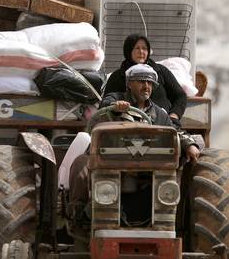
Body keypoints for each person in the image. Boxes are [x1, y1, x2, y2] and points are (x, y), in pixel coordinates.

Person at [68, 64, 200, 220]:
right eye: (141, 81)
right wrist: (115, 109)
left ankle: (174, 217)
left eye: (150, 83)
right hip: (109, 161)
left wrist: (189, 144)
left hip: (147, 165)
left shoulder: (159, 113)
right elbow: (105, 107)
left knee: (175, 172)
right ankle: (79, 215)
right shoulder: (116, 99)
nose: (146, 86)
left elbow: (174, 132)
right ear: (129, 84)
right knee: (81, 163)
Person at [103, 34, 187, 124]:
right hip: (127, 124)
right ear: (129, 83)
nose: (141, 52)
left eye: (144, 48)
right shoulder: (118, 76)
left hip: (159, 124)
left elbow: (180, 96)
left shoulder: (160, 71)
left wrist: (173, 116)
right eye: (137, 48)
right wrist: (116, 107)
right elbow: (106, 103)